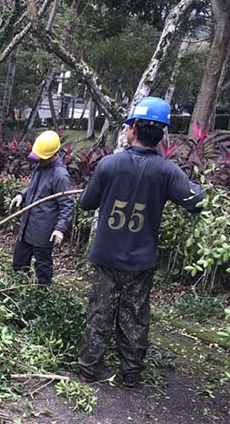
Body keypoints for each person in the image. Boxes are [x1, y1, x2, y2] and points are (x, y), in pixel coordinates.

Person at [77, 97, 206, 387]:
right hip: (140, 260)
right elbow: (196, 201)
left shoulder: (109, 165)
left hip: (106, 256)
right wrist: (199, 187)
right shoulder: (167, 171)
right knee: (135, 318)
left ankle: (88, 370)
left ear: (133, 128)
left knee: (100, 313)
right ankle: (130, 374)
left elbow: (86, 204)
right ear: (161, 133)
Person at [10, 130, 73, 286]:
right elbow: (34, 188)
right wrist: (22, 195)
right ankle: (20, 286)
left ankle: (42, 294)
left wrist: (60, 228)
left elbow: (67, 204)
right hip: (28, 224)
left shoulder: (60, 175)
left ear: (52, 155)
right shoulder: (40, 167)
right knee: (19, 262)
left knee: (43, 265)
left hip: (44, 230)